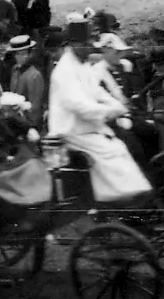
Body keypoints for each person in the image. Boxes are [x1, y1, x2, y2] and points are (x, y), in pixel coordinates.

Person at [48, 26, 152, 205]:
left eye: (90, 44)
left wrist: (117, 105)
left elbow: (96, 92)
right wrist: (110, 112)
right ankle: (119, 200)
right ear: (73, 45)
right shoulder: (63, 71)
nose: (90, 48)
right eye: (86, 44)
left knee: (118, 147)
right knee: (112, 151)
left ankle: (132, 198)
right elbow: (78, 105)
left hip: (86, 127)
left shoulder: (83, 64)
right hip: (70, 130)